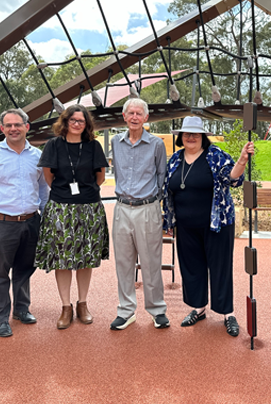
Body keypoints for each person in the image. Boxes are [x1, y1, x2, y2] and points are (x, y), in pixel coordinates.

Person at [164, 116, 254, 337]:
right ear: (180, 137)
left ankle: (227, 313)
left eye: (195, 134)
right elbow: (169, 191)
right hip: (185, 226)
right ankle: (198, 307)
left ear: (203, 136)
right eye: (187, 134)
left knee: (220, 267)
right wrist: (168, 220)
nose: (191, 137)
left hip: (217, 223)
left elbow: (232, 178)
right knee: (192, 268)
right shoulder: (175, 159)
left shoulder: (215, 156)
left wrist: (242, 160)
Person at [35, 104, 109, 329]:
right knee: (62, 258)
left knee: (86, 257)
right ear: (65, 121)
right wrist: (66, 194)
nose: (77, 124)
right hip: (61, 207)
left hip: (89, 207)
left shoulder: (93, 146)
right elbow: (49, 176)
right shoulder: (53, 145)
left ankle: (82, 304)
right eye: (73, 120)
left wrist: (84, 193)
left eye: (82, 121)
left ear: (87, 124)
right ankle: (65, 307)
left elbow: (101, 177)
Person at [110, 98, 168, 330]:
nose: (134, 117)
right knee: (123, 262)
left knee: (151, 261)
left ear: (146, 118)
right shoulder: (116, 141)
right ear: (124, 117)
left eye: (139, 113)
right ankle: (126, 311)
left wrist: (154, 203)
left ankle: (157, 310)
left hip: (147, 208)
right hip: (122, 208)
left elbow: (162, 175)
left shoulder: (156, 144)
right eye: (130, 113)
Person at [0, 109, 49, 338]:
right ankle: (1, 318)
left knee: (25, 268)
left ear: (27, 127)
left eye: (17, 124)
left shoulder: (37, 156)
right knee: (1, 272)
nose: (13, 129)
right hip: (4, 222)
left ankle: (21, 309)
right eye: (8, 125)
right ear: (2, 128)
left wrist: (45, 215)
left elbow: (42, 188)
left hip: (31, 221)